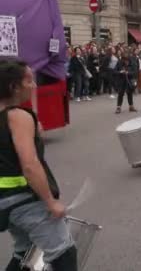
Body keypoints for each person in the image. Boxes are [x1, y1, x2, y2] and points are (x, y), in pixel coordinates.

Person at [0, 60, 78, 271]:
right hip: (25, 200)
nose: (34, 86)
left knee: (24, 252)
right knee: (64, 252)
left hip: (4, 203)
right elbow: (30, 166)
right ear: (13, 87)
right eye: (29, 81)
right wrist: (51, 202)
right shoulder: (17, 117)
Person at [114, 50, 138, 114]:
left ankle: (131, 106)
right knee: (120, 93)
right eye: (124, 60)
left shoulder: (132, 62)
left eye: (127, 60)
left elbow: (135, 72)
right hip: (121, 80)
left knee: (129, 93)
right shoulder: (119, 62)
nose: (126, 62)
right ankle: (118, 107)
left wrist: (128, 73)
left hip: (129, 80)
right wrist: (120, 72)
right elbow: (115, 71)